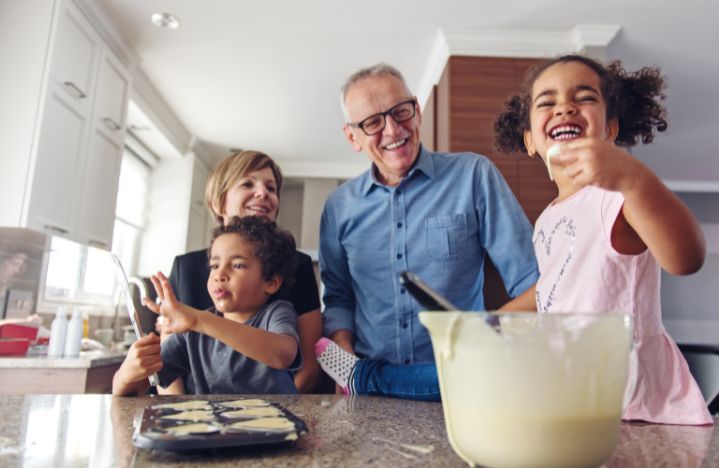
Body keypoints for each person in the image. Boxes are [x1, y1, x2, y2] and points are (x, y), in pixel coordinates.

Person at [493, 54, 711, 425]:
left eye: (584, 98)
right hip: (579, 398)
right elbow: (554, 287)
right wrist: (493, 319)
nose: (565, 108)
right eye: (547, 102)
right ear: (530, 140)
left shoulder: (620, 196)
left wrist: (633, 178)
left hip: (636, 407)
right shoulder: (547, 220)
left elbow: (686, 258)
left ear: (609, 130)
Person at [316, 63, 539, 400]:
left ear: (417, 110)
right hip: (372, 401)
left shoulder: (473, 176)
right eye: (373, 122)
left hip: (460, 378)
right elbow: (338, 298)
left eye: (400, 112)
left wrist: (479, 333)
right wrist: (343, 359)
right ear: (353, 137)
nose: (392, 130)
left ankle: (365, 377)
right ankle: (361, 376)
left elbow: (534, 283)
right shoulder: (338, 207)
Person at [167, 150, 322, 393]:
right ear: (219, 202)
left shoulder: (298, 265)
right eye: (248, 183)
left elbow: (307, 367)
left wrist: (277, 413)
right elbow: (167, 366)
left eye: (271, 188)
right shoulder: (184, 268)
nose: (264, 193)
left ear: (273, 281)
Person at [112, 216, 301, 395]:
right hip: (210, 428)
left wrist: (199, 320)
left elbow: (283, 355)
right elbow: (136, 386)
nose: (220, 275)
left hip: (274, 427)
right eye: (215, 266)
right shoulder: (194, 330)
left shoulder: (276, 312)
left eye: (237, 265)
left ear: (271, 282)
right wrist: (126, 374)